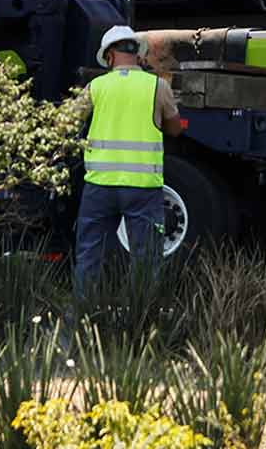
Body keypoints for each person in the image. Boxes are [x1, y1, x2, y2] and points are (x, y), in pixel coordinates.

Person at [72, 25, 186, 294]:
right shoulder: (157, 86)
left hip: (100, 186)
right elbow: (174, 129)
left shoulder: (96, 87)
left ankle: (83, 317)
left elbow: (66, 123)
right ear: (138, 55)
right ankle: (141, 321)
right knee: (146, 260)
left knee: (89, 256)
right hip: (143, 187)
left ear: (109, 56)